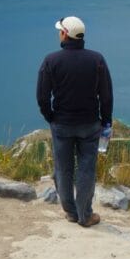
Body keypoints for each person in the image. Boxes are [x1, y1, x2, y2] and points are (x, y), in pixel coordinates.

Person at [36, 15, 113, 228]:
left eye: (60, 30)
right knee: (86, 169)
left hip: (62, 124)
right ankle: (85, 215)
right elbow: (105, 96)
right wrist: (106, 122)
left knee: (63, 169)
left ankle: (70, 212)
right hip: (89, 125)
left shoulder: (51, 61)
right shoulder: (97, 59)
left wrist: (50, 117)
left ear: (65, 34)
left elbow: (42, 96)